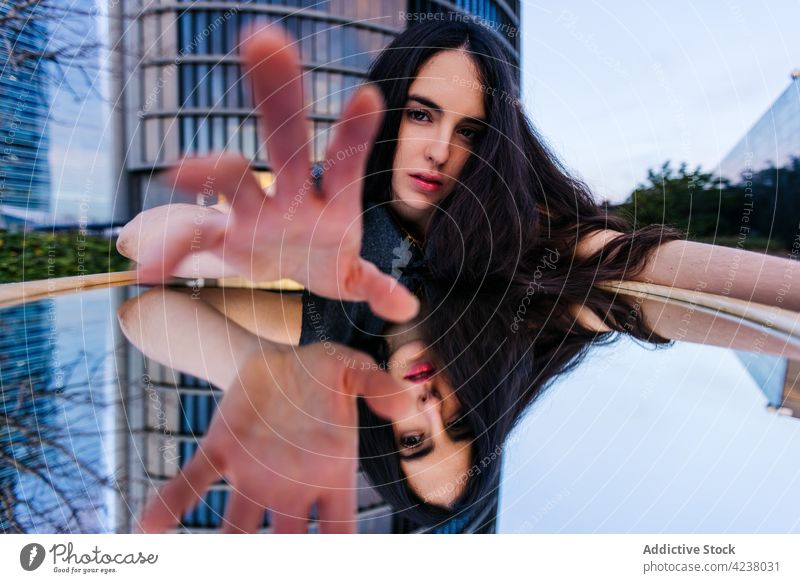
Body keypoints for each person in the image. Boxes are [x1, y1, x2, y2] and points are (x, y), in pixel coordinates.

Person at [117, 18, 800, 532]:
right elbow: (136, 249)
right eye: (421, 114)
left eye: (470, 129)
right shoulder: (326, 223)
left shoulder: (544, 247)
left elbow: (695, 274)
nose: (441, 149)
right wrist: (246, 247)